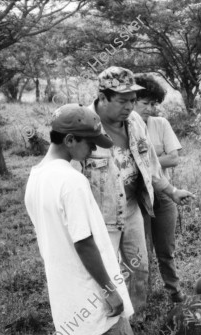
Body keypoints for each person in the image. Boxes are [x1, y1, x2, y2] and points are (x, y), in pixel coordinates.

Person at [24, 104, 135, 335]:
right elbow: (83, 242)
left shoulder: (36, 176)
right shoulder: (71, 181)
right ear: (70, 139)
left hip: (63, 279)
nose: (94, 150)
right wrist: (109, 288)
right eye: (89, 143)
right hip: (89, 281)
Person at [82, 66, 194, 314]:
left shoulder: (134, 122)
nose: (130, 107)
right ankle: (104, 321)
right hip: (101, 213)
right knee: (105, 270)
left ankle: (136, 316)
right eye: (123, 101)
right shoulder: (83, 125)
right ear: (103, 97)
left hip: (132, 206)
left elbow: (149, 163)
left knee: (139, 266)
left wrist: (171, 191)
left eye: (133, 100)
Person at [134, 73, 185, 303]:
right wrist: (157, 158)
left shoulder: (160, 124)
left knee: (166, 249)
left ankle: (174, 292)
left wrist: (144, 162)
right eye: (145, 103)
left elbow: (174, 158)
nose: (150, 109)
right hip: (137, 197)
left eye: (153, 104)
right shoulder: (124, 129)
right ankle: (144, 298)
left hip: (163, 193)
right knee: (141, 252)